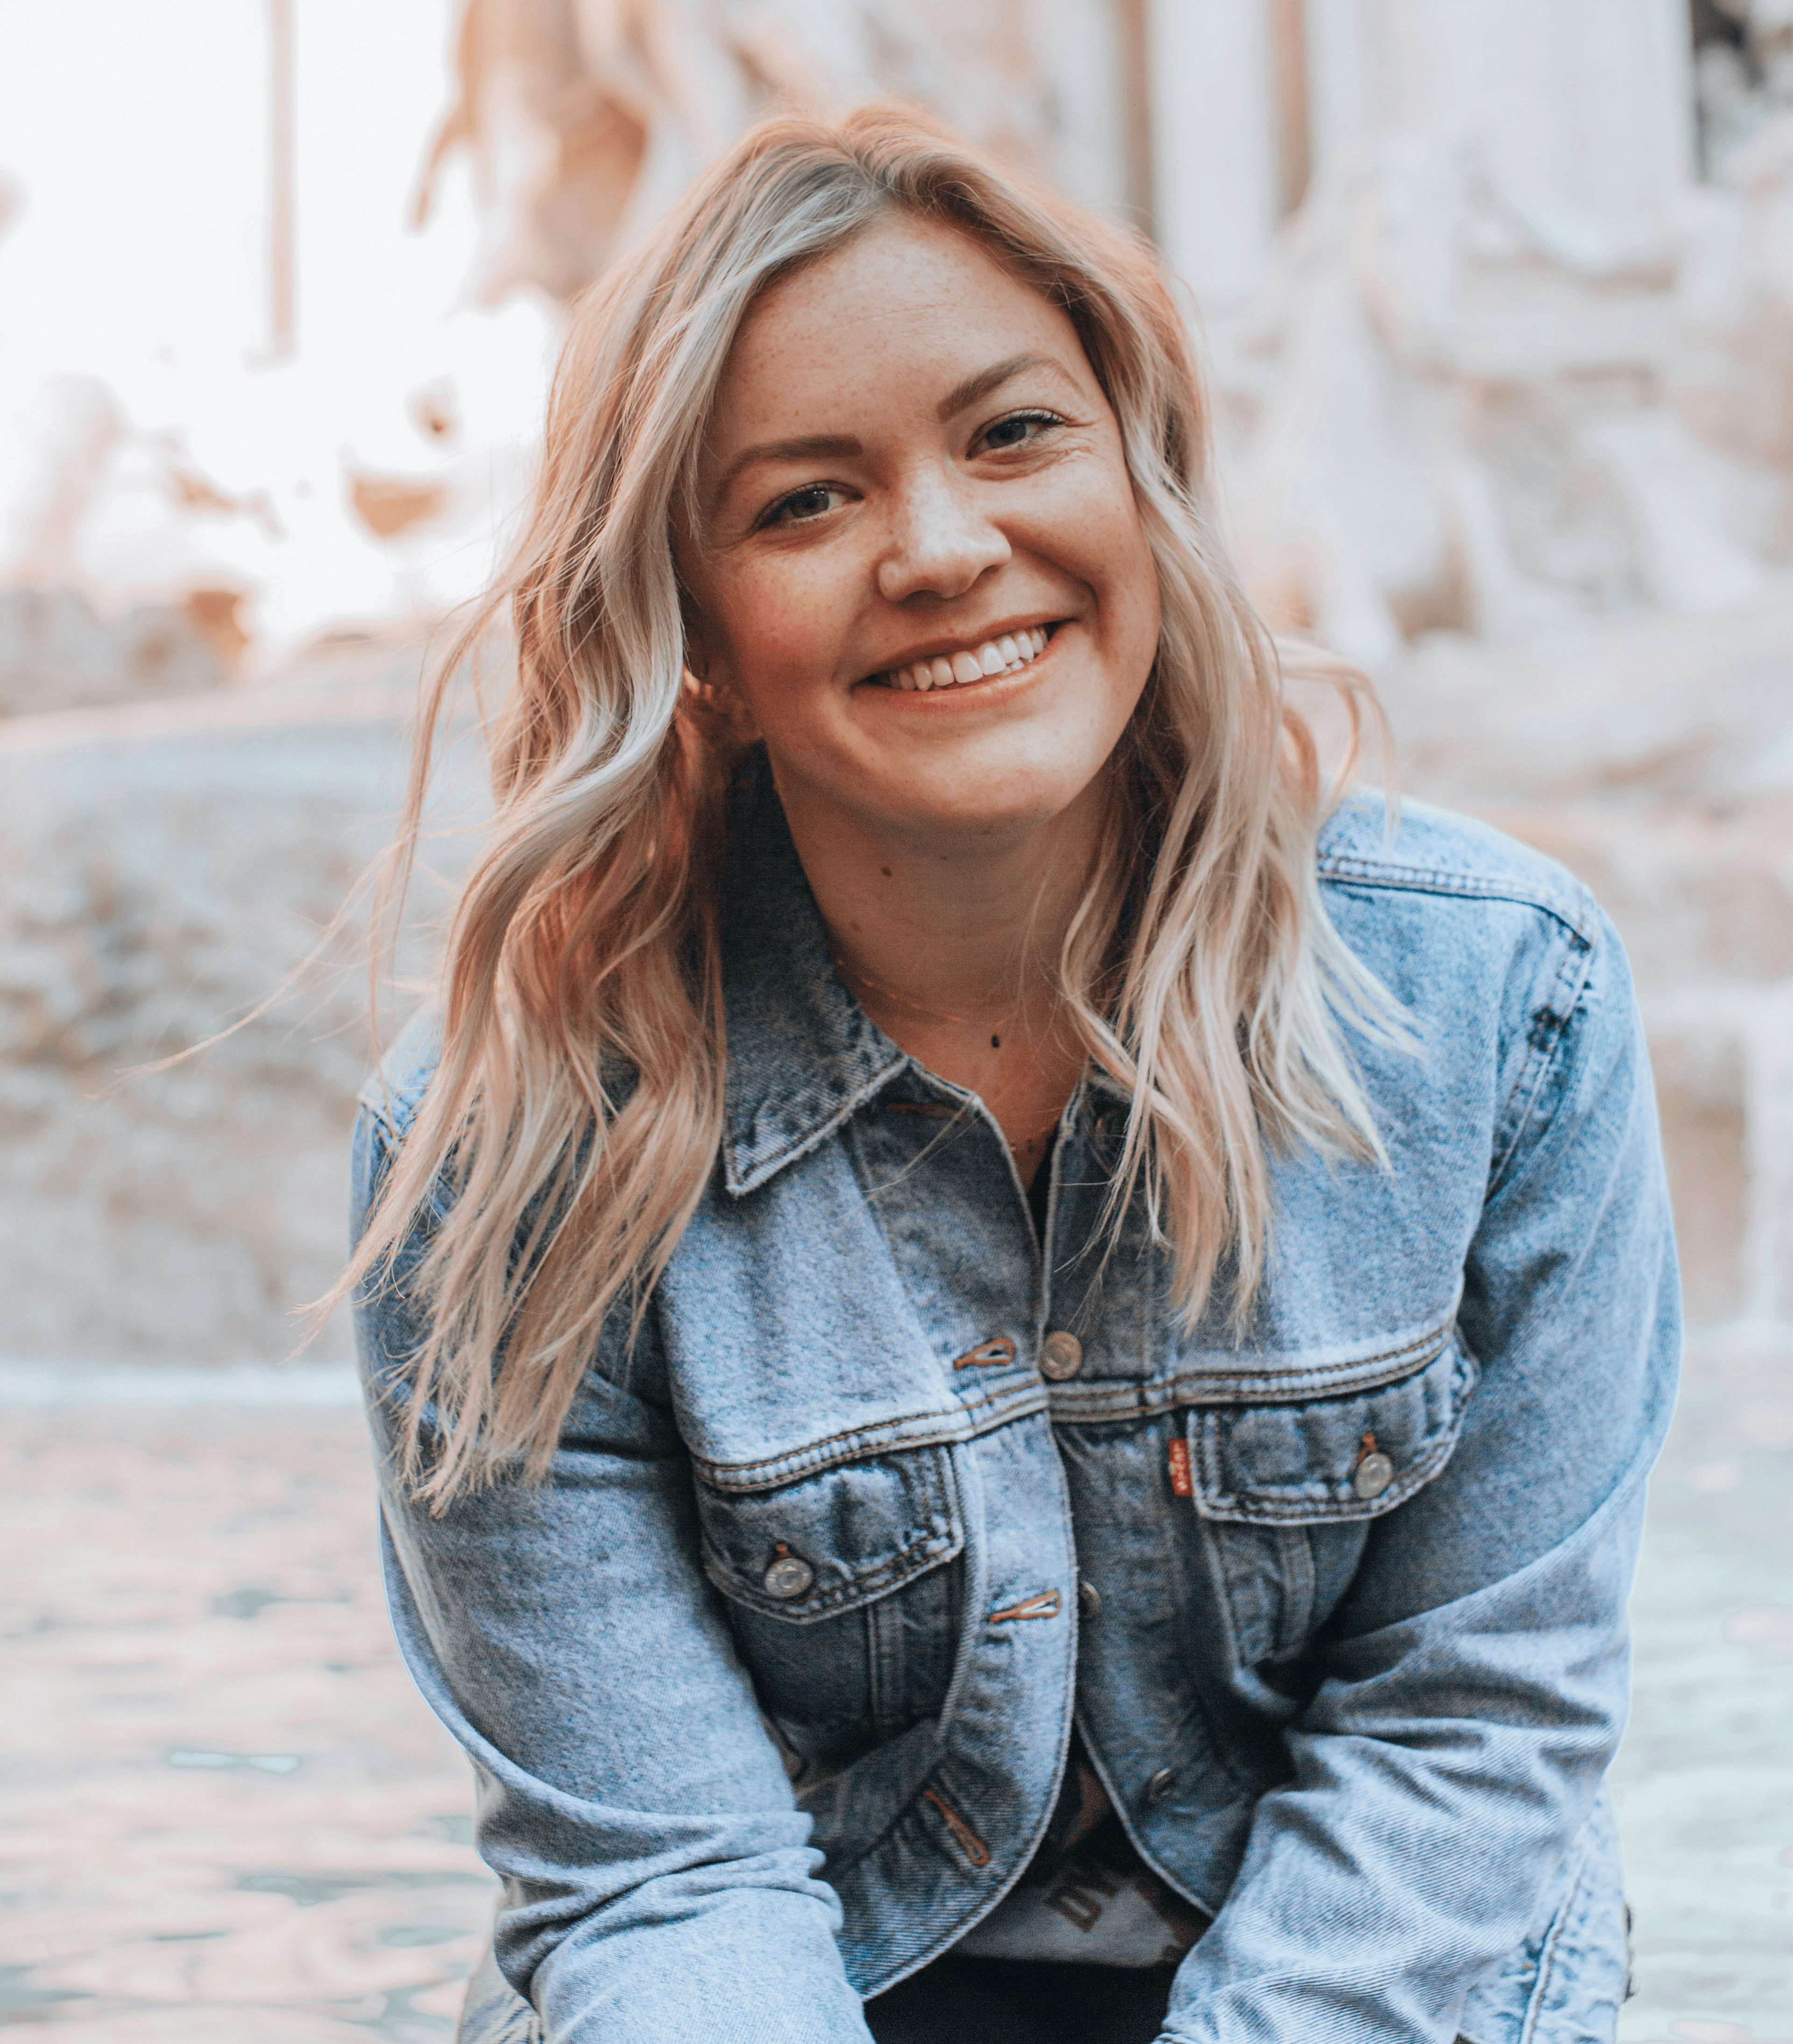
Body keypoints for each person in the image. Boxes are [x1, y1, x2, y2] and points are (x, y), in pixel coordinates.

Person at [345, 105, 1679, 2044]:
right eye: (806, 501)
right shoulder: (508, 1151)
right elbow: (662, 1880)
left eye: (1014, 434)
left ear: (1141, 473)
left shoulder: (1501, 1004)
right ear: (695, 631)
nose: (945, 551)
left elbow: (1466, 1737)